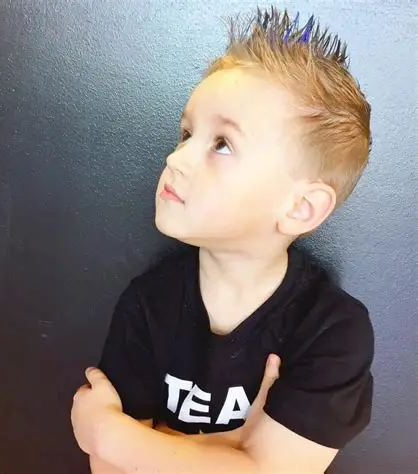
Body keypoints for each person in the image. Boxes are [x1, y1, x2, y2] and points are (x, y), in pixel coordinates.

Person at [71, 6, 374, 474]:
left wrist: (110, 433)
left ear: (301, 207)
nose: (175, 158)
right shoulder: (148, 304)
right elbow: (110, 468)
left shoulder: (332, 330)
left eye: (222, 144)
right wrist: (235, 450)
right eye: (186, 134)